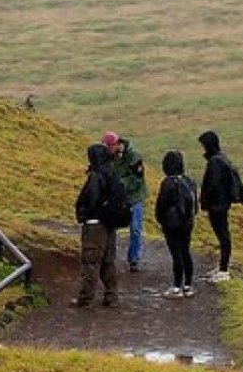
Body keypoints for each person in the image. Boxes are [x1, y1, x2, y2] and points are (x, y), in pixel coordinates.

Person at [71, 143, 127, 307]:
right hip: (109, 225)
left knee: (91, 261)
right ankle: (111, 296)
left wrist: (83, 213)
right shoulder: (111, 173)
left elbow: (92, 200)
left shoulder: (96, 176)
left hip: (95, 226)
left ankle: (85, 298)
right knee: (107, 261)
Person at [102, 131, 149, 272]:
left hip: (134, 197)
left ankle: (133, 259)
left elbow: (137, 179)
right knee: (111, 227)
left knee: (135, 229)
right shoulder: (109, 157)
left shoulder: (134, 156)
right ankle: (109, 257)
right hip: (117, 197)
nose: (107, 150)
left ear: (116, 144)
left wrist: (118, 183)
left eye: (109, 147)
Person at [198, 130, 241, 282]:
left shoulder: (215, 162)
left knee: (223, 235)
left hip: (217, 205)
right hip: (222, 204)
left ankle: (223, 270)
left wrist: (205, 202)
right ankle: (222, 267)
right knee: (223, 235)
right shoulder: (221, 158)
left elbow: (213, 186)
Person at [154, 150, 198, 298]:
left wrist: (161, 220)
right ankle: (188, 286)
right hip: (187, 222)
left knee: (176, 254)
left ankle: (176, 287)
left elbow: (161, 205)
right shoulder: (189, 181)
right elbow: (194, 205)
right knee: (186, 252)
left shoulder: (167, 182)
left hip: (172, 224)